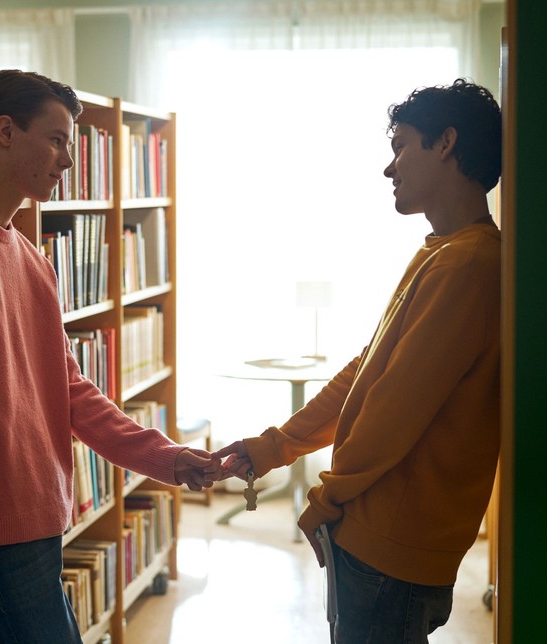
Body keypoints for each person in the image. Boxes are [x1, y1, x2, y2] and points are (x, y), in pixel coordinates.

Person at [0, 69, 220, 644]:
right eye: (56, 140)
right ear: (5, 132)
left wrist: (165, 458)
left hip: (39, 509)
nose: (67, 160)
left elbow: (70, 391)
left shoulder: (31, 259)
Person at [214, 78, 502, 643]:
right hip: (376, 539)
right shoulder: (442, 252)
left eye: (401, 145)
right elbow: (366, 373)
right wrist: (274, 447)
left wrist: (326, 497)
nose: (390, 167)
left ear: (446, 143)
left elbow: (393, 410)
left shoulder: (467, 266)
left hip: (390, 549)